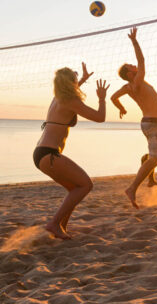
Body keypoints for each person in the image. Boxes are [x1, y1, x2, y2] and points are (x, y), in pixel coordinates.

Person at [34, 63, 108, 239]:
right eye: (74, 76)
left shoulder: (57, 98)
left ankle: (61, 227)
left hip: (41, 154)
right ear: (69, 82)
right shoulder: (70, 101)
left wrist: (82, 79)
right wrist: (102, 98)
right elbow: (100, 117)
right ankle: (53, 224)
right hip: (50, 155)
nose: (76, 77)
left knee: (75, 189)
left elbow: (70, 89)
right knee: (86, 185)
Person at [111, 27, 157, 209]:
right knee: (155, 159)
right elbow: (142, 60)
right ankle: (132, 188)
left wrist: (121, 108)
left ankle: (150, 179)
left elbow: (113, 97)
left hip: (150, 122)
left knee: (152, 156)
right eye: (130, 66)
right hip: (153, 123)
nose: (134, 66)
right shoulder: (137, 82)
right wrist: (134, 41)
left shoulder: (128, 87)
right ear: (129, 73)